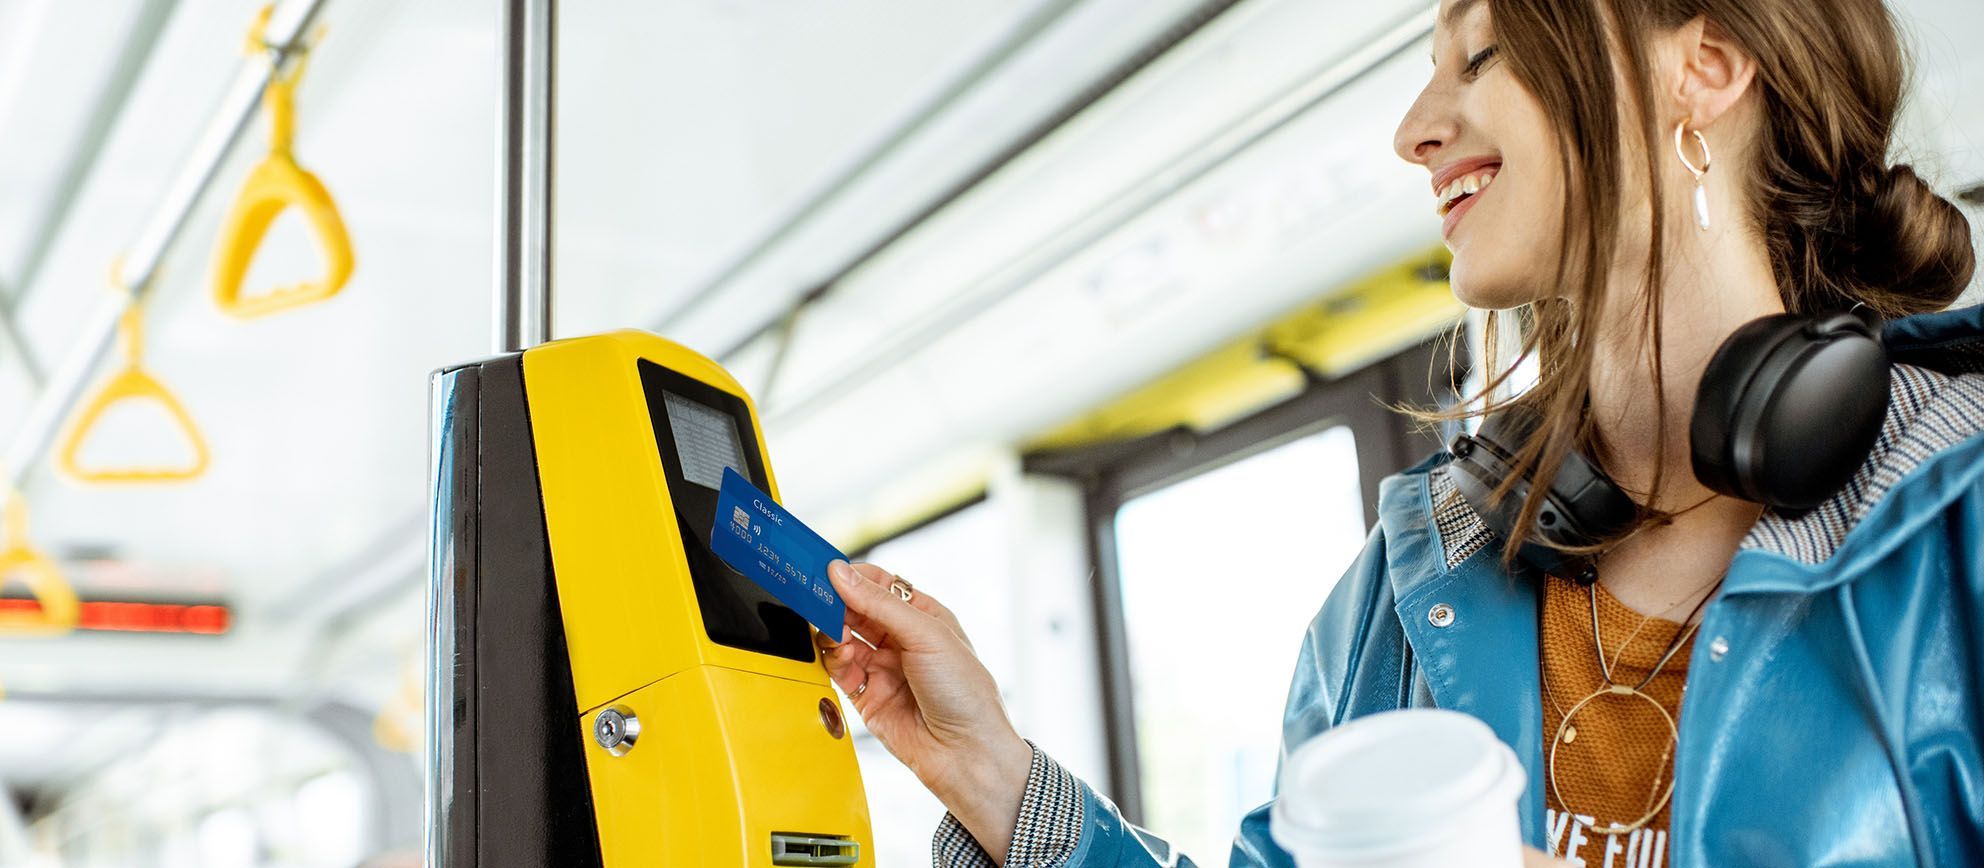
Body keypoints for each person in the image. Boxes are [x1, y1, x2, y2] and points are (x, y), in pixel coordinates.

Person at [817, 0, 1984, 863]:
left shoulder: (1958, 515)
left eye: (1480, 54)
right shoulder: (1407, 583)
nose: (1414, 131)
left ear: (1706, 65)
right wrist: (991, 773)